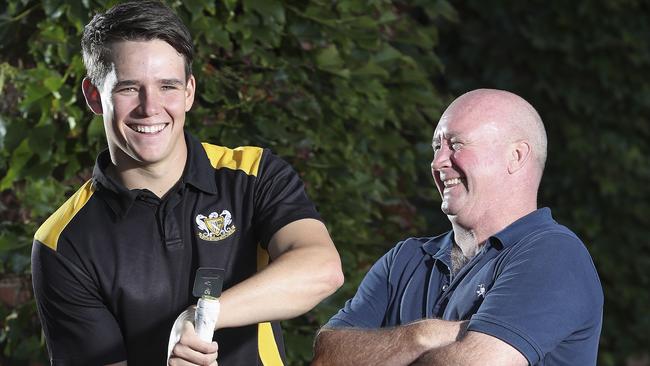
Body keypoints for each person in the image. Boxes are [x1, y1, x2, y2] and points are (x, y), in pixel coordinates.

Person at [30, 1, 344, 365]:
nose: (151, 107)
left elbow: (322, 269)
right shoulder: (63, 241)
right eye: (129, 88)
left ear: (190, 92)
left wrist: (200, 316)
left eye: (168, 86)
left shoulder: (253, 173)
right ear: (93, 96)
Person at [313, 89, 603, 365]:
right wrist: (424, 335)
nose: (438, 161)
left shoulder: (553, 254)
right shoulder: (405, 259)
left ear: (515, 156)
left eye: (457, 144)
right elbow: (328, 355)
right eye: (437, 146)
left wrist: (382, 354)